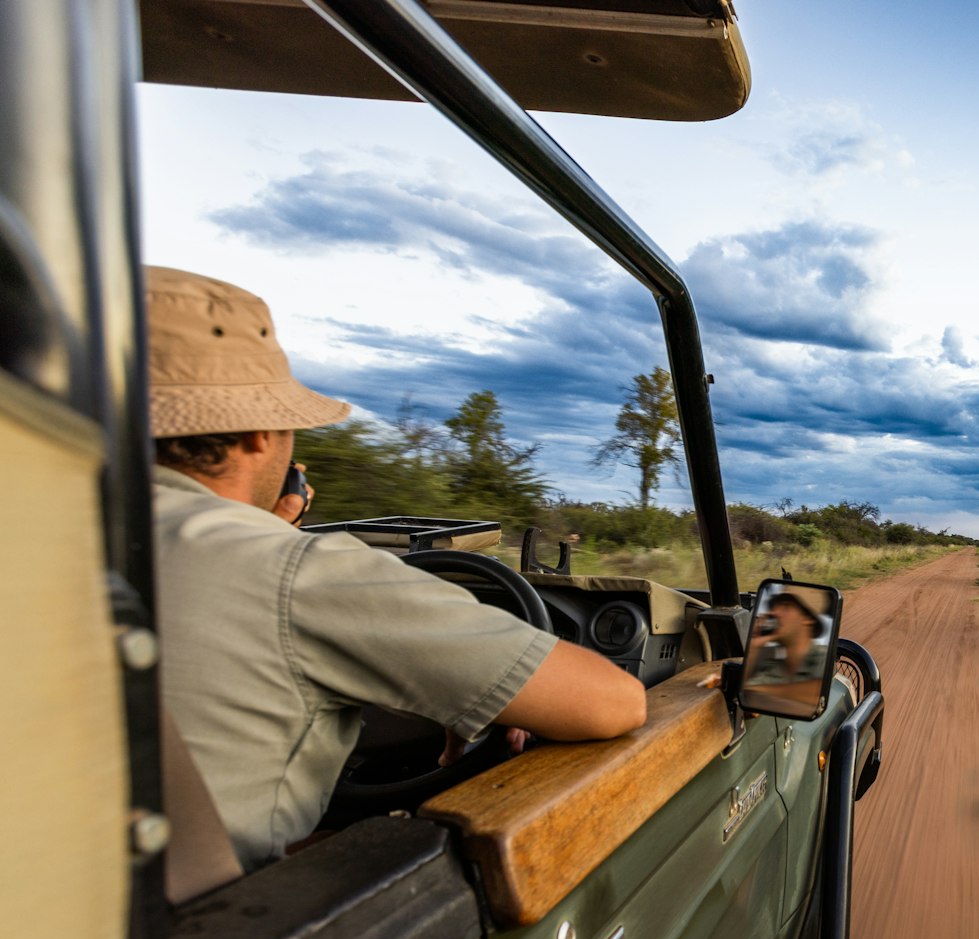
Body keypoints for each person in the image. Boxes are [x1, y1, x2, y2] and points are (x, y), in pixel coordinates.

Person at [148, 266, 648, 872]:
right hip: (216, 936)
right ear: (259, 434)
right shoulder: (301, 571)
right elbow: (615, 702)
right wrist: (474, 698)